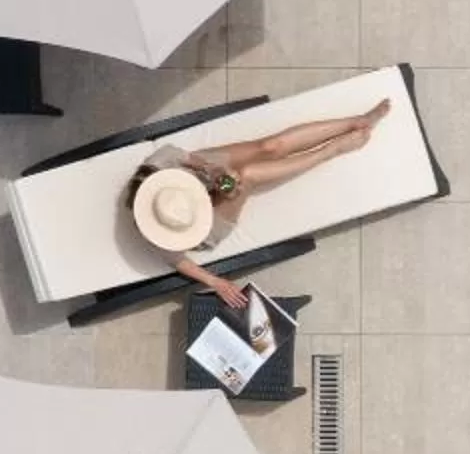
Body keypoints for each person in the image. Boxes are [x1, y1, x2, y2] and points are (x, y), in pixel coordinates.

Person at [126, 101, 392, 307]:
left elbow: (187, 157)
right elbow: (178, 262)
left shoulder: (158, 165)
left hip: (202, 180)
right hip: (203, 223)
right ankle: (330, 151)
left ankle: (359, 120)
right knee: (249, 176)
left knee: (270, 146)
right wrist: (215, 281)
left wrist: (214, 173)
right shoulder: (157, 234)